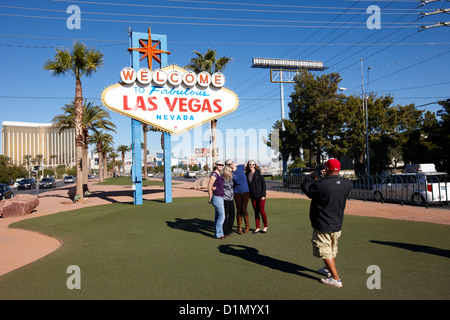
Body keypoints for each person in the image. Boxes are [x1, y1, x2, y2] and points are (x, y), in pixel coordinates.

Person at [301, 158, 352, 287]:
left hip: (323, 222)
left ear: (327, 169)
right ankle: (328, 269)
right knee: (332, 248)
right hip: (337, 222)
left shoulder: (322, 184)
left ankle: (336, 279)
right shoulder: (347, 184)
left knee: (325, 250)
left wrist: (311, 176)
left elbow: (307, 189)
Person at [226, 159, 250, 234]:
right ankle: (239, 228)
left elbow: (247, 164)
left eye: (232, 162)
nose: (231, 164)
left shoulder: (240, 167)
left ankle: (247, 226)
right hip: (236, 192)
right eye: (229, 164)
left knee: (244, 208)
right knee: (239, 209)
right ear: (227, 166)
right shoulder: (230, 173)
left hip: (246, 191)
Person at [246, 160, 268, 234]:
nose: (251, 165)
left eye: (253, 164)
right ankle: (257, 227)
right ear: (248, 165)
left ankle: (265, 226)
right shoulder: (247, 174)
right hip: (253, 196)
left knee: (262, 211)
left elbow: (263, 185)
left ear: (255, 165)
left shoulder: (259, 172)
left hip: (260, 195)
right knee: (256, 211)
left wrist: (263, 195)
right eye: (250, 164)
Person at [208, 160, 226, 239]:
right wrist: (210, 197)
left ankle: (218, 234)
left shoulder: (219, 174)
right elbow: (209, 186)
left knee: (218, 216)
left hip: (220, 196)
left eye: (222, 165)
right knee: (222, 216)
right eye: (219, 165)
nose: (221, 166)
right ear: (215, 165)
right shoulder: (214, 174)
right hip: (217, 197)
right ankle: (219, 234)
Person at [222, 163, 236, 237]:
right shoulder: (222, 179)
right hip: (224, 199)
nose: (232, 172)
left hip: (231, 198)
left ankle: (229, 230)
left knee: (232, 214)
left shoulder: (231, 178)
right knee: (225, 215)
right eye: (230, 171)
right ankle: (225, 231)